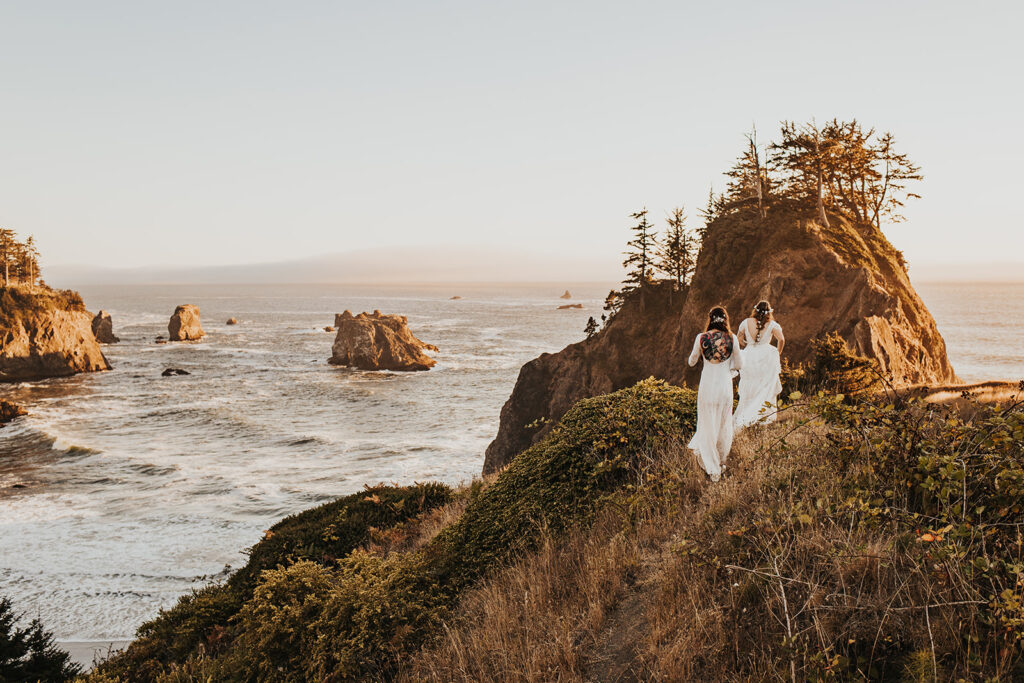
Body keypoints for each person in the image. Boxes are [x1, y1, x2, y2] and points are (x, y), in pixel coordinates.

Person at [687, 306, 743, 482]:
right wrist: (727, 366)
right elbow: (739, 365)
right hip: (724, 387)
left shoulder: (702, 338)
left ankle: (711, 466)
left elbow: (691, 362)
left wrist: (703, 356)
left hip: (707, 387)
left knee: (707, 423)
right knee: (723, 423)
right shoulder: (732, 338)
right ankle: (721, 460)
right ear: (725, 319)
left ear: (710, 319)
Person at [733, 300, 785, 428]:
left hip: (749, 356)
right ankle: (761, 418)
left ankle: (746, 417)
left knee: (750, 385)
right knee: (764, 386)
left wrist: (746, 345)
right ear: (769, 312)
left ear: (755, 310)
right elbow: (781, 339)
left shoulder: (745, 322)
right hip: (766, 357)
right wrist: (777, 353)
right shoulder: (773, 325)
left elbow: (738, 338)